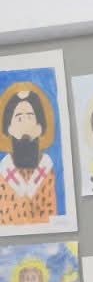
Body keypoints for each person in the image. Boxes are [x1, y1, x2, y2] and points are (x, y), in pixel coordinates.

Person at [0, 85, 59, 224]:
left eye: (30, 117)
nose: (25, 125)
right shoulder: (3, 171)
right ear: (9, 128)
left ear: (39, 127)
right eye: (19, 118)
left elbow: (51, 215)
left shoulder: (46, 168)